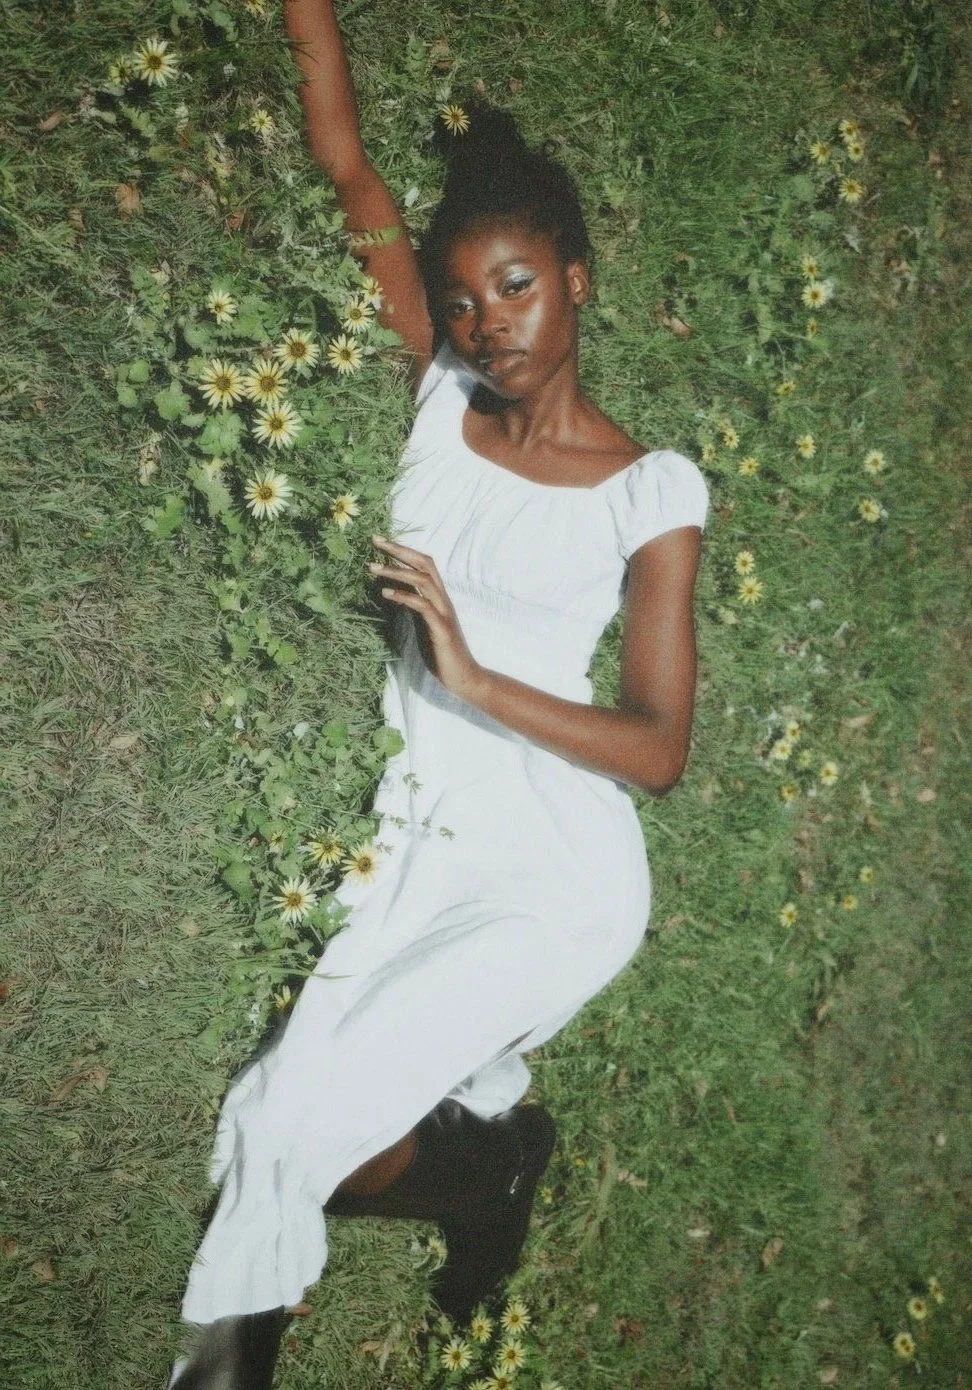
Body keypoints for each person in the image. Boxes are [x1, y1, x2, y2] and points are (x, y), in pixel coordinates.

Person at [167, 1, 709, 1385]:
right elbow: (349, 168)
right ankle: (486, 1173)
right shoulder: (440, 394)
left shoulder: (649, 494)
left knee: (289, 1130)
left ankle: (449, 1189)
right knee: (279, 1119)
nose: (488, 323)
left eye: (517, 287)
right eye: (463, 298)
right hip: (422, 832)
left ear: (577, 280)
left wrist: (471, 673)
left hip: (556, 870)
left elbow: (657, 748)